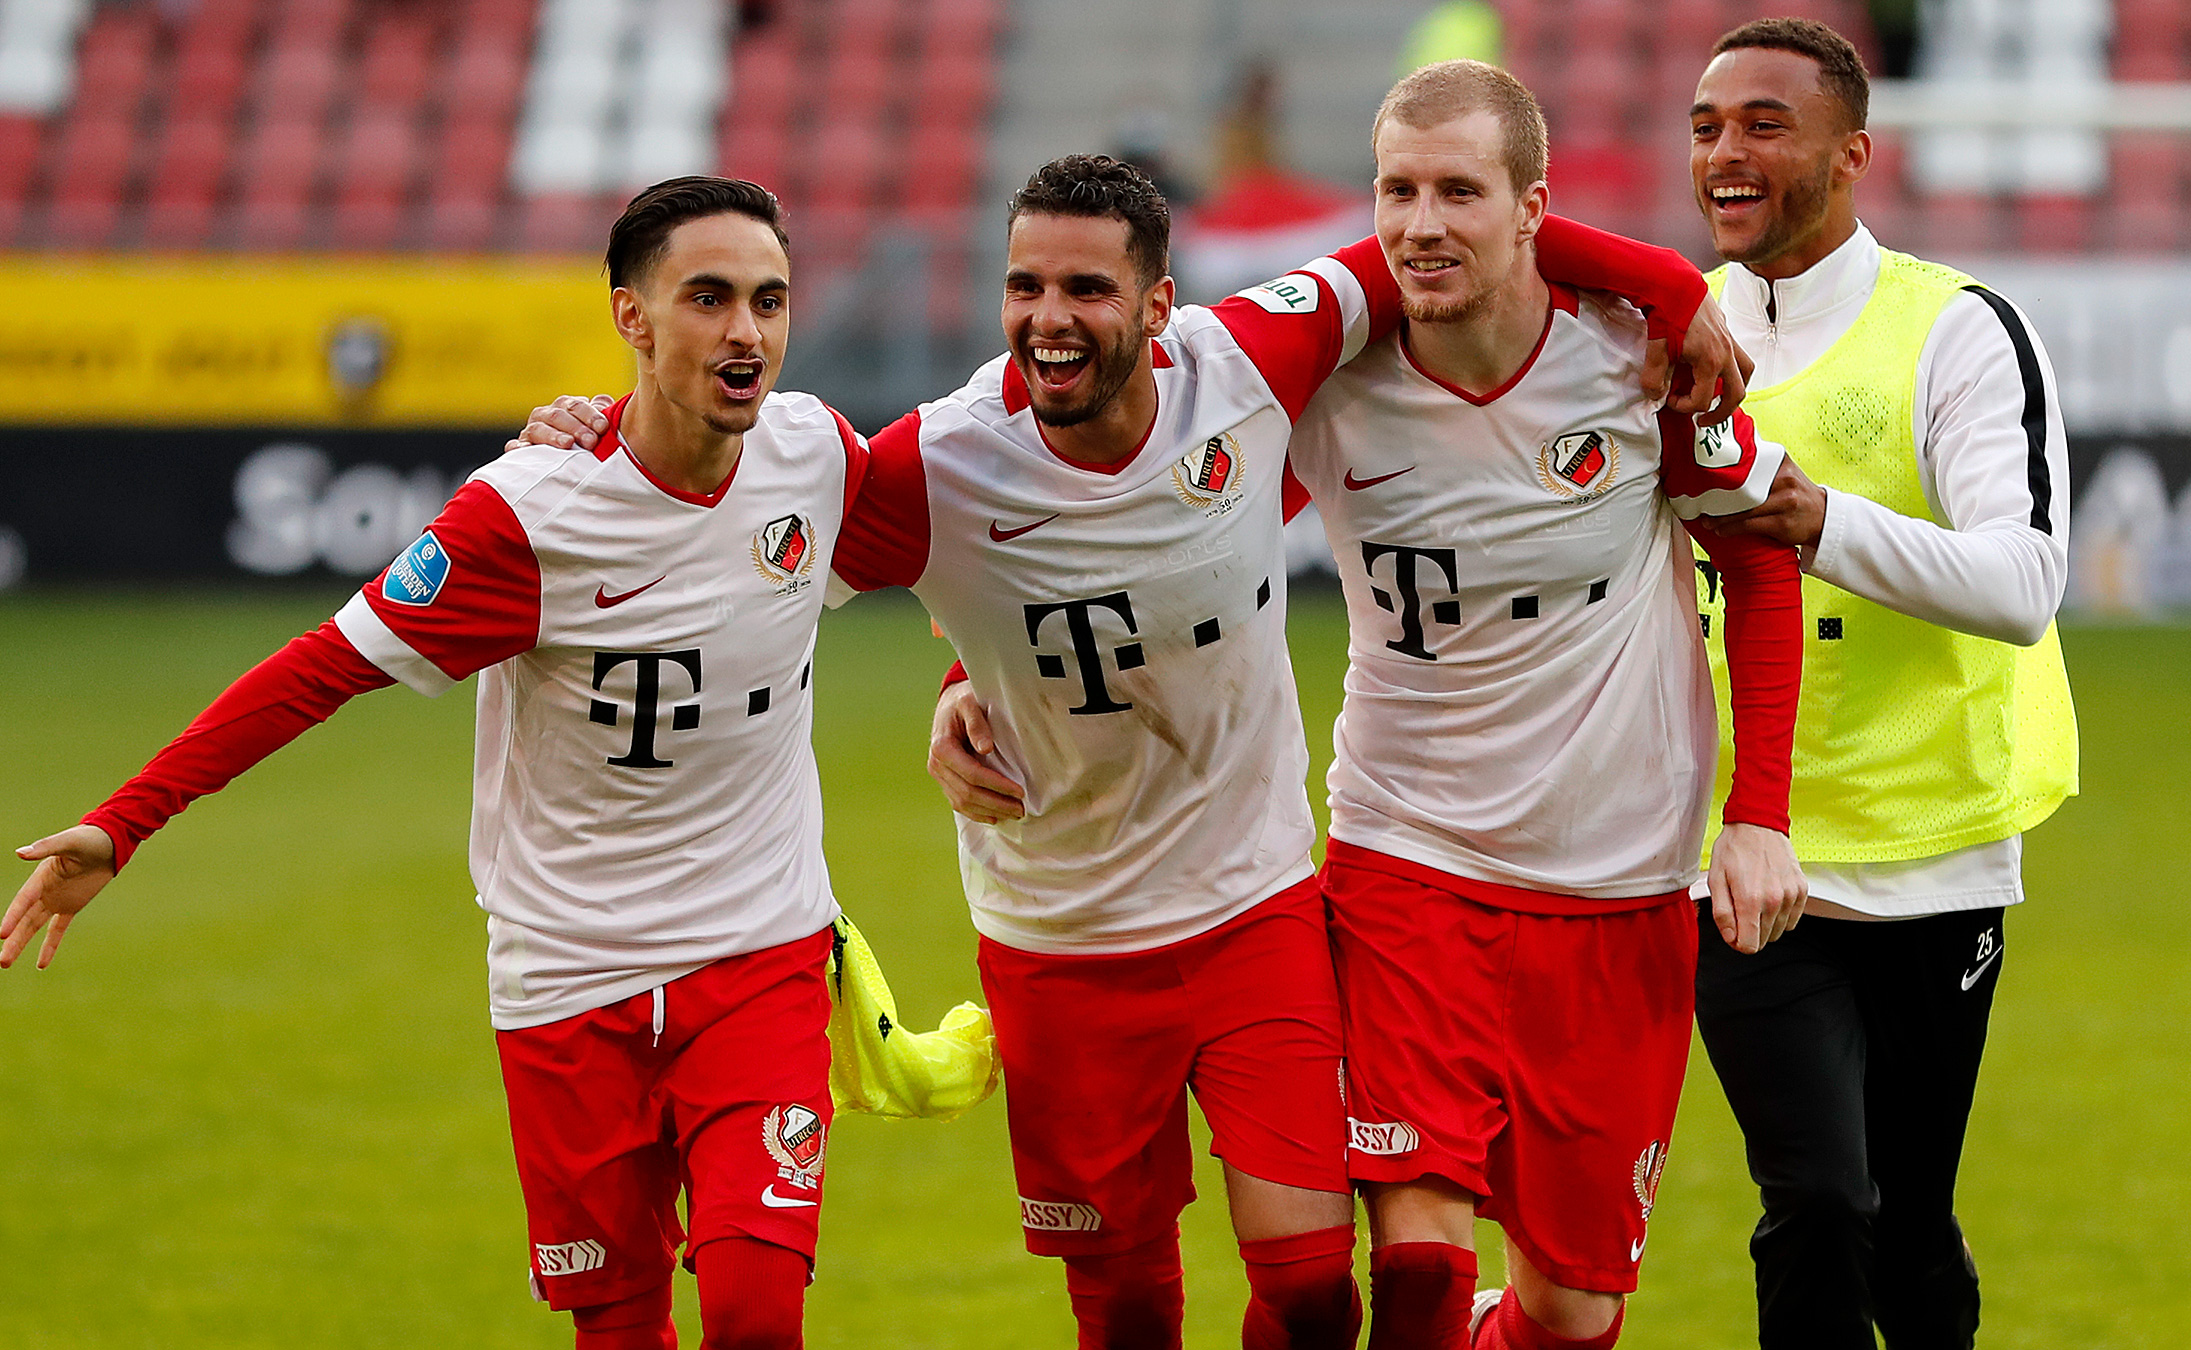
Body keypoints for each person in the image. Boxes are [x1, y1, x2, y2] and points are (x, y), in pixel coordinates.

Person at [539, 157, 1741, 1349]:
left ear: (1160, 306)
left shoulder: (1252, 361)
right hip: (1058, 937)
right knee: (1121, 1307)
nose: (1048, 321)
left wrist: (1672, 291)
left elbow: (1453, 238)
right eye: (1024, 288)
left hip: (1252, 907)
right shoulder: (940, 461)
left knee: (1320, 1287)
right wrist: (592, 440)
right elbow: (739, 526)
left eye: (1086, 290)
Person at [5, 176, 861, 1350]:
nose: (745, 332)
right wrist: (126, 821)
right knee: (617, 1328)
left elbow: (966, 530)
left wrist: (964, 683)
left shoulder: (816, 453)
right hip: (568, 981)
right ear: (631, 318)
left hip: (756, 959)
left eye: (768, 300)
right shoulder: (526, 517)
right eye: (707, 298)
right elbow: (321, 669)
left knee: (757, 1311)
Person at [1283, 59, 1807, 1350]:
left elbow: (1754, 559)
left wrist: (1760, 813)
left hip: (1617, 887)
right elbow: (1136, 512)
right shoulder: (1319, 374)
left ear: (1532, 209)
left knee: (1571, 1311)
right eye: (1395, 190)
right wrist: (971, 675)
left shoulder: (1638, 363)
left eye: (1458, 191)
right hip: (1407, 856)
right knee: (1411, 1266)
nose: (1420, 224)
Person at [1681, 20, 2080, 1350]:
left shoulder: (1960, 331)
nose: (1724, 153)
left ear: (1853, 154)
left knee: (1906, 1219)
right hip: (1746, 849)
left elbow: (2022, 580)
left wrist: (1819, 522)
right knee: (1815, 1196)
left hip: (1932, 853)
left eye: (1761, 125)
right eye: (1704, 126)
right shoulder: (1660, 344)